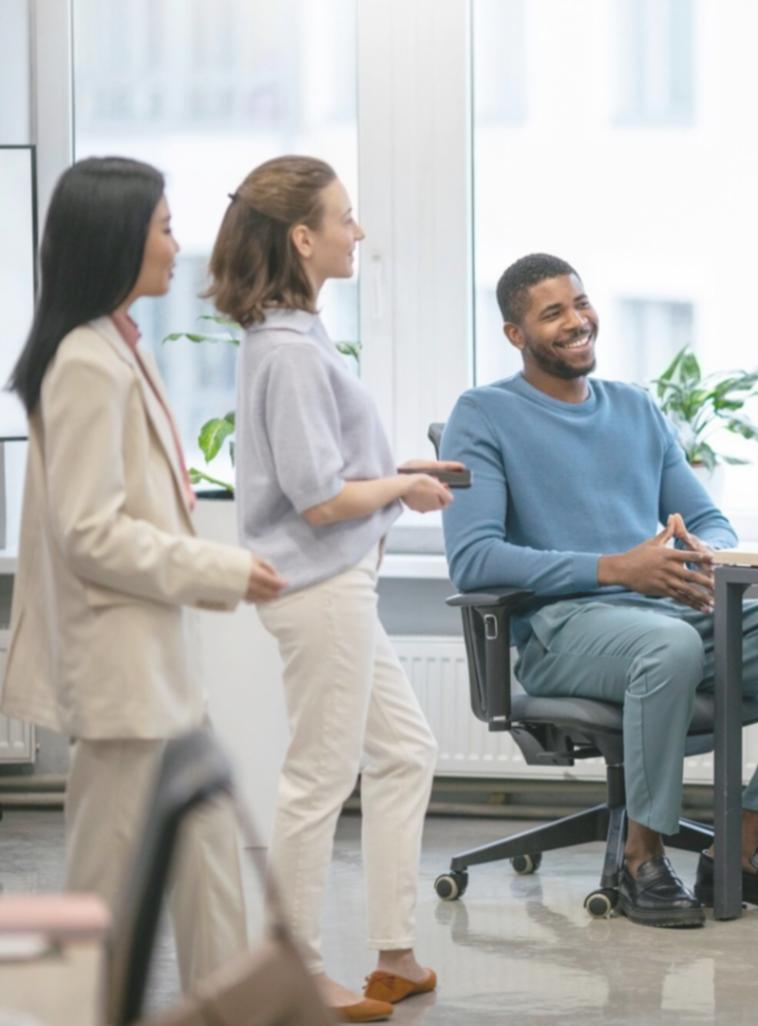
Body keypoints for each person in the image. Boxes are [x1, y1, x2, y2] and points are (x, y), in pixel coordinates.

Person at [440, 252, 758, 929]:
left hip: (661, 615)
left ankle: (739, 851)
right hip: (564, 630)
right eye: (551, 312)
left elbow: (708, 519)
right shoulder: (484, 414)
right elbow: (475, 559)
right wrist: (615, 569)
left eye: (579, 303)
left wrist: (703, 556)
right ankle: (640, 859)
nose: (576, 321)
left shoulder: (635, 409)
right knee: (666, 645)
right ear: (514, 335)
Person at [0, 157, 287, 991]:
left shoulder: (115, 348)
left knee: (211, 880)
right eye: (164, 228)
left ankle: (235, 1012)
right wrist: (221, 569)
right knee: (97, 905)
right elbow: (91, 534)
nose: (176, 245)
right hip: (124, 685)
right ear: (120, 239)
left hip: (157, 678)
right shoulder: (87, 362)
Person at [207, 155, 455, 1022]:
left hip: (335, 586)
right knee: (319, 777)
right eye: (345, 218)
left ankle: (392, 952)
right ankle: (295, 968)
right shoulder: (287, 352)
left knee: (407, 748)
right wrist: (402, 488)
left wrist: (393, 471)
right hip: (322, 590)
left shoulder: (296, 339)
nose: (358, 232)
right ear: (304, 237)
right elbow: (318, 501)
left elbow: (322, 473)